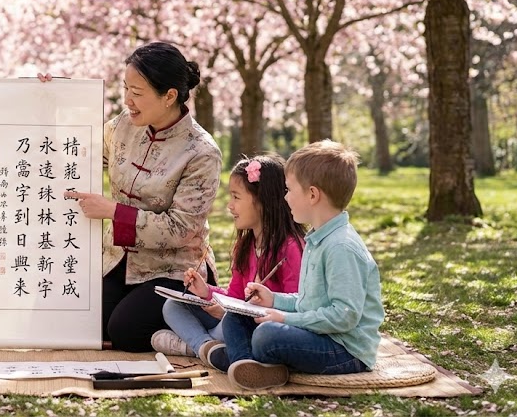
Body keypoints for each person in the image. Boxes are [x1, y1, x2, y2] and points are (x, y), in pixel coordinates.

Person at [58, 40, 223, 352]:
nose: (127, 100)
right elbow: (79, 153)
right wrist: (51, 98)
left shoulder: (201, 152)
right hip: (120, 258)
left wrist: (114, 211)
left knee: (126, 330)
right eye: (125, 88)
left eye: (137, 92)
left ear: (169, 96)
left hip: (176, 267)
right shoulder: (123, 124)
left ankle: (197, 334)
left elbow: (181, 228)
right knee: (81, 319)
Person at [214, 140, 384, 390]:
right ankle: (248, 367)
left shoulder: (341, 247)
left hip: (344, 349)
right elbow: (309, 301)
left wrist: (284, 319)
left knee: (267, 334)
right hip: (320, 335)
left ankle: (243, 360)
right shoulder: (317, 240)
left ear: (312, 195)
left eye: (289, 190)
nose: (285, 198)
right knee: (235, 317)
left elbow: (344, 316)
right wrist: (274, 300)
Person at [152, 154, 305, 368]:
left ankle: (194, 346)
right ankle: (206, 347)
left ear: (262, 200)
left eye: (236, 197)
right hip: (232, 319)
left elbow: (298, 304)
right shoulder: (245, 246)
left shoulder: (290, 248)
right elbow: (234, 297)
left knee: (231, 324)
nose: (230, 206)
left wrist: (248, 308)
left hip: (259, 325)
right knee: (172, 306)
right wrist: (206, 292)